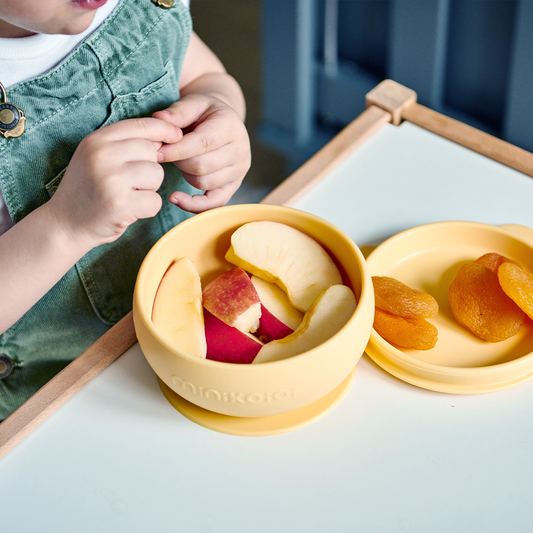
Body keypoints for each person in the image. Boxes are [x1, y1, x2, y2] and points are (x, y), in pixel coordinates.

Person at [0, 0, 251, 419]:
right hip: (59, 395)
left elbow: (207, 77)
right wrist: (65, 225)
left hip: (198, 321)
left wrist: (219, 112)